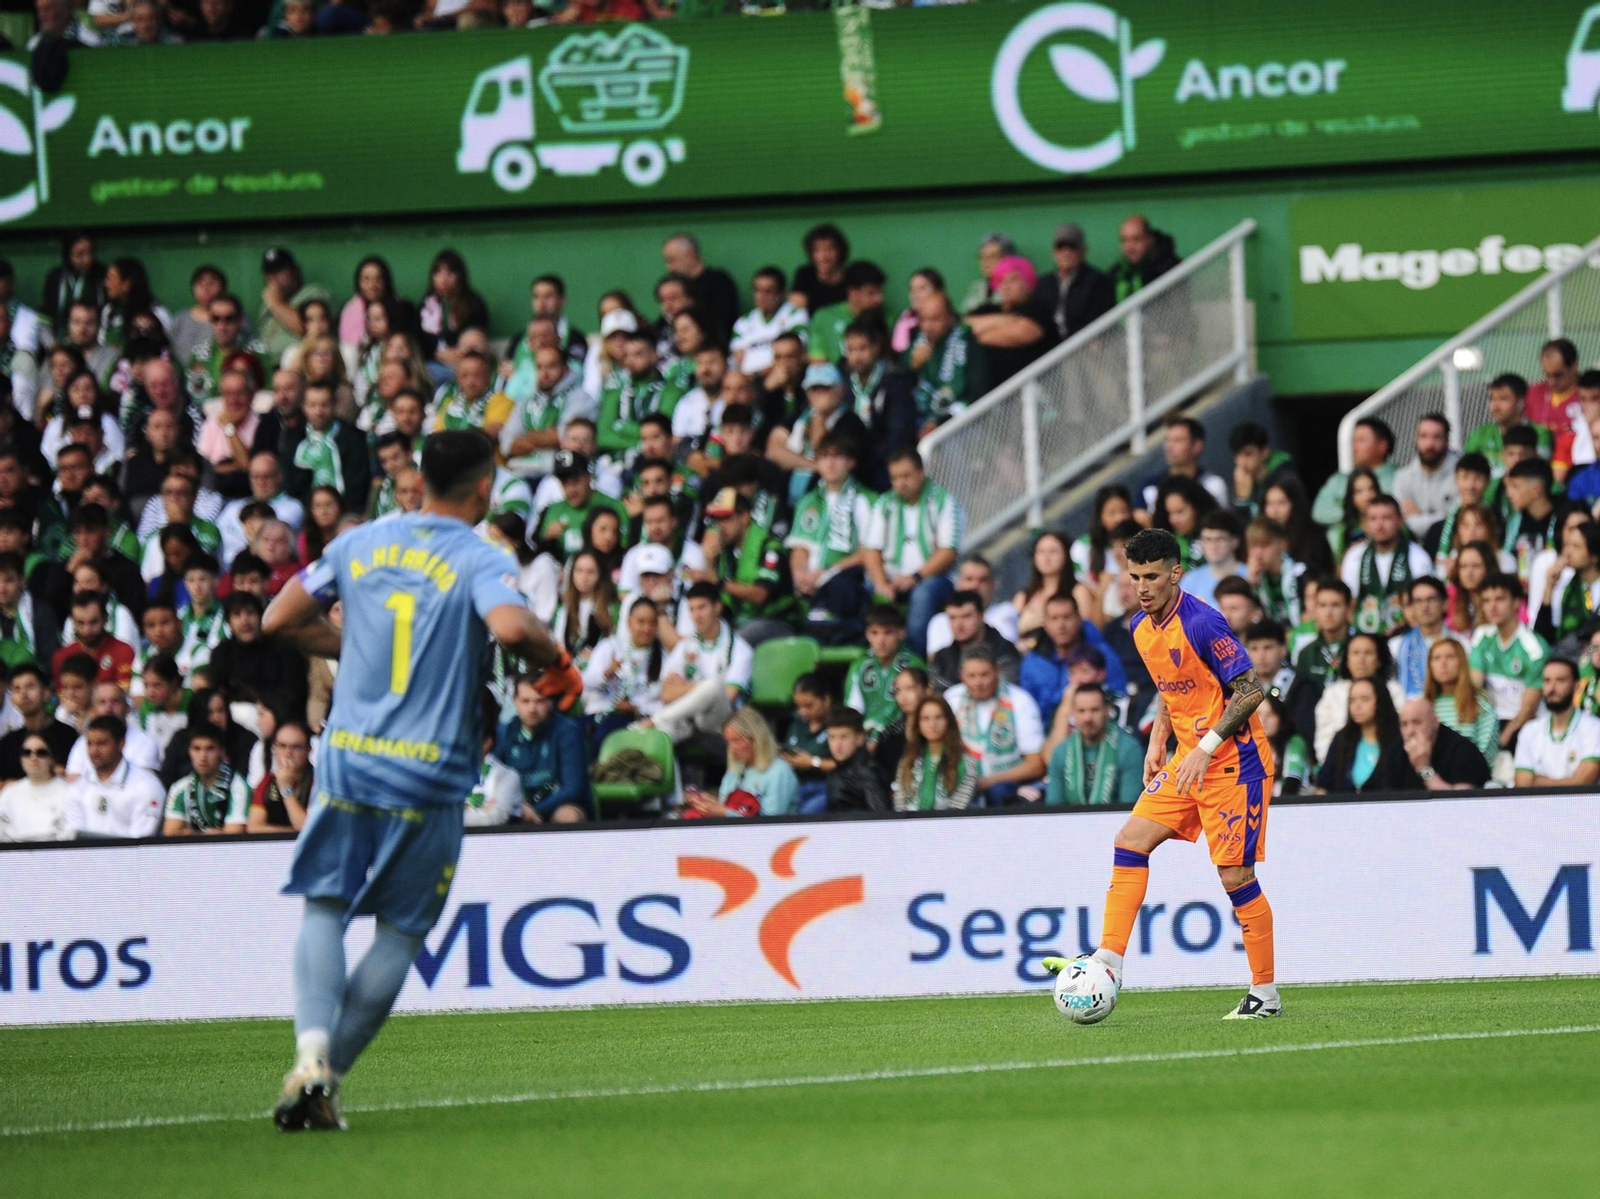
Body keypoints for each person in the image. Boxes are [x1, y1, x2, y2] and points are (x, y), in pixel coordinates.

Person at [262, 429, 581, 1131]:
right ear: (484, 487)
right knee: (400, 932)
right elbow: (507, 625)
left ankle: (309, 1054)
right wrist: (554, 657)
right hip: (428, 770)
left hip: (347, 757)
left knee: (324, 906)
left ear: (419, 479)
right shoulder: (478, 554)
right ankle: (329, 1079)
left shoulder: (359, 542)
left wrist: (358, 640)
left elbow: (277, 616)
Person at [1043, 527, 1277, 1020]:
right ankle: (1108, 961)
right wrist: (1159, 737)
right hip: (1186, 759)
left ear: (1176, 573)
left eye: (1152, 576)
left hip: (1235, 764)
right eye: (1134, 577)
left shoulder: (1204, 623)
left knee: (1236, 876)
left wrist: (1207, 746)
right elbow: (1175, 688)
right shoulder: (1140, 627)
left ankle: (1265, 996)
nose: (1142, 586)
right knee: (1130, 841)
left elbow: (1252, 690)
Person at [863, 448, 962, 658]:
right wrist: (882, 584)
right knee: (862, 588)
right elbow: (871, 550)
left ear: (921, 472)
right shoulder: (884, 503)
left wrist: (915, 577)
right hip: (890, 578)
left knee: (923, 594)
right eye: (895, 478)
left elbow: (948, 551)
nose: (901, 483)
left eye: (906, 476)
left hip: (932, 578)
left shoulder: (944, 501)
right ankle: (870, 657)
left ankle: (912, 660)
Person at [944, 643, 1045, 806]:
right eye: (972, 676)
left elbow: (1035, 765)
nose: (978, 682)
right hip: (961, 784)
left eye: (984, 675)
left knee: (998, 791)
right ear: (961, 675)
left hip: (1007, 788)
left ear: (997, 671)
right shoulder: (951, 699)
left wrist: (988, 781)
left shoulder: (1020, 701)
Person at [1017, 592, 1124, 727]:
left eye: (1067, 617)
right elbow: (1027, 712)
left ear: (1079, 619)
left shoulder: (1103, 654)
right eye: (1054, 618)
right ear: (1045, 624)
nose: (1061, 625)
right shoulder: (1032, 663)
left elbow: (1119, 697)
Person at [495, 676, 591, 824]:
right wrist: (519, 808)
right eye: (525, 701)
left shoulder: (568, 731)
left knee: (568, 815)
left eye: (539, 701)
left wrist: (535, 811)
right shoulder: (504, 733)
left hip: (556, 806)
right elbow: (491, 779)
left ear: (550, 702)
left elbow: (573, 789)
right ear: (515, 702)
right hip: (517, 806)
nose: (532, 709)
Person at [1470, 574, 1547, 752]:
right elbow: (1475, 685)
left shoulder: (1533, 648)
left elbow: (1529, 708)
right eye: (1487, 600)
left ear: (1516, 603)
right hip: (1490, 721)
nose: (1492, 606)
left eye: (1500, 599)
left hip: (1524, 724)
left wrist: (1504, 737)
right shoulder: (1482, 636)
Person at [1339, 494, 1434, 637]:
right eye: (1373, 519)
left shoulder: (1418, 557)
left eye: (1386, 518)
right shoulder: (1354, 557)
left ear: (1400, 520)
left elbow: (1424, 601)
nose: (1379, 525)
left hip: (1407, 635)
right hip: (1362, 636)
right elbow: (1348, 603)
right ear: (1364, 524)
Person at [63, 715, 165, 839]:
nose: (94, 751)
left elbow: (140, 842)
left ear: (121, 744)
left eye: (102, 744)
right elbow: (73, 835)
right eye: (90, 744)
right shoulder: (77, 787)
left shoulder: (147, 786)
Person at [1312, 631, 1407, 764]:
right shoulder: (1333, 693)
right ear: (1347, 660)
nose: (1361, 660)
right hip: (1339, 767)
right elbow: (1323, 740)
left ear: (1379, 660)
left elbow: (1399, 734)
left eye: (1368, 653)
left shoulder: (1394, 691)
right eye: (1355, 653)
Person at [685, 708, 798, 818]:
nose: (732, 749)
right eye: (728, 742)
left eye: (737, 741)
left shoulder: (779, 771)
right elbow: (727, 808)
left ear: (757, 739)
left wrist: (724, 813)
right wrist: (710, 804)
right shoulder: (735, 770)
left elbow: (771, 823)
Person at [1042, 684, 1144, 806]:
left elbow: (1130, 806)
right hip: (1071, 824)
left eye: (1094, 710)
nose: (1087, 718)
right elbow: (1054, 808)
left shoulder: (1129, 750)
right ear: (1073, 713)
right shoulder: (1060, 752)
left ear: (1108, 710)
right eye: (1081, 711)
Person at [965, 256, 1057, 385]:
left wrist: (975, 337)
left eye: (1013, 280)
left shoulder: (1038, 309)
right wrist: (1006, 320)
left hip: (1033, 388)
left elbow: (1023, 332)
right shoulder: (987, 309)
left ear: (1027, 283)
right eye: (1001, 280)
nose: (1006, 286)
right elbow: (964, 326)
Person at [1513, 658, 1600, 787]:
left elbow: (1584, 781)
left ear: (1576, 686)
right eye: (1547, 681)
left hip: (1580, 806)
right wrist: (1570, 780)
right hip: (1538, 807)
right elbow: (1522, 783)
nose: (1552, 688)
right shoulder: (1529, 730)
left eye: (1561, 680)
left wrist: (1538, 781)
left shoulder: (1594, 727)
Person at [843, 605, 922, 740]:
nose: (881, 640)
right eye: (875, 633)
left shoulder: (914, 665)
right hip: (865, 739)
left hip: (902, 736)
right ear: (867, 634)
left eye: (888, 632)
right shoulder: (859, 666)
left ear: (901, 633)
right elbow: (853, 712)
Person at [161, 721, 250, 836]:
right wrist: (214, 832)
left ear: (222, 752)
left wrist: (191, 833)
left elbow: (233, 835)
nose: (203, 756)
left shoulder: (238, 786)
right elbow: (170, 832)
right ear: (189, 751)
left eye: (210, 749)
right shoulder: (179, 788)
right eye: (197, 749)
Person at [1315, 678, 1402, 794]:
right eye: (1352, 700)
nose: (1357, 706)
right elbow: (1324, 782)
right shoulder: (1342, 739)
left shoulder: (1398, 741)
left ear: (1381, 701)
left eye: (1365, 699)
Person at [892, 694, 975, 812]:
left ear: (948, 721)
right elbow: (900, 807)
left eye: (939, 717)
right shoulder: (907, 762)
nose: (932, 725)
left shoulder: (966, 764)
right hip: (909, 828)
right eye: (925, 719)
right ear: (918, 724)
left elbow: (958, 810)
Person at [1033, 222, 1115, 341]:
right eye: (1061, 247)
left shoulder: (1097, 281)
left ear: (1083, 250)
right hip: (1049, 351)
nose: (1066, 252)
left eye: (1072, 247)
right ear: (1053, 251)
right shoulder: (1044, 284)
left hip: (1083, 348)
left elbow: (1103, 320)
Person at [1312, 417, 1397, 530]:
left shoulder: (1398, 478)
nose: (1354, 447)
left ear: (1382, 446)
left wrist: (1344, 509)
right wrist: (1356, 512)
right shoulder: (1338, 479)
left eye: (1361, 441)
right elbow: (1318, 512)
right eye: (1353, 441)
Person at [1424, 637, 1500, 762]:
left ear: (1462, 662)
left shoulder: (1481, 704)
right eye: (1436, 658)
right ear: (1429, 665)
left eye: (1450, 657)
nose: (1443, 663)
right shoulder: (1423, 706)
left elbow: (1486, 752)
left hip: (1469, 776)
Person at [1389, 576, 1464, 698]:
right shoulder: (1395, 646)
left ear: (1445, 603)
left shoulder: (1461, 644)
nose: (1425, 607)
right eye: (1418, 601)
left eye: (1431, 599)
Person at [0, 663, 77, 779]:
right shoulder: (8, 744)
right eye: (17, 689)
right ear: (12, 699)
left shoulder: (68, 735)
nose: (23, 694)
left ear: (46, 693)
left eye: (30, 687)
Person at [1139, 417, 1229, 512]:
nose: (1168, 447)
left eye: (1177, 440)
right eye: (1167, 440)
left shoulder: (1212, 485)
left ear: (1197, 446)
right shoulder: (1149, 487)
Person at [1392, 414, 1460, 537]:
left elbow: (1457, 521)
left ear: (1447, 441)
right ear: (1415, 439)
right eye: (1423, 436)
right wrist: (1443, 517)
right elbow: (1400, 524)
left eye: (1436, 437)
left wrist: (1418, 518)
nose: (1429, 444)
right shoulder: (1402, 477)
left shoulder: (1461, 474)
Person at [1534, 518, 1600, 645]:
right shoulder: (1567, 587)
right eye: (1566, 545)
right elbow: (1543, 636)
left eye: (1576, 546)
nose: (1567, 553)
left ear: (1594, 556)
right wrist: (1549, 587)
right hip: (1568, 655)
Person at [1465, 374, 1551, 470]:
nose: (1495, 407)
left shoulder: (1540, 434)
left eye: (1503, 399)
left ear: (1521, 402)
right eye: (1492, 399)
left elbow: (1538, 472)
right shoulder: (1479, 434)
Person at [780, 673, 835, 814]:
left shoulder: (838, 724)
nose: (803, 711)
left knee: (804, 816)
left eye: (809, 706)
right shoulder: (796, 725)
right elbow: (787, 750)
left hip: (826, 788)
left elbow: (845, 764)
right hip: (795, 786)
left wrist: (812, 762)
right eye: (799, 706)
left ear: (826, 699)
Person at [0, 730, 69, 841]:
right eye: (27, 752)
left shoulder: (68, 791)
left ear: (52, 758)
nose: (33, 757)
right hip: (15, 854)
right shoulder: (9, 793)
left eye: (41, 752)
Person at [250, 719, 313, 834]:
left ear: (309, 750)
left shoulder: (319, 782)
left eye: (296, 747)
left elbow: (308, 828)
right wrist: (292, 831)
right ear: (275, 748)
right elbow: (254, 827)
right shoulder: (267, 781)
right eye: (282, 746)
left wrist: (286, 789)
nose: (288, 753)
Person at [822, 706, 889, 813]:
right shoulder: (836, 771)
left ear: (860, 738)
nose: (837, 745)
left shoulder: (869, 773)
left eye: (843, 737)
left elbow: (881, 819)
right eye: (832, 737)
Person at [1180, 510, 1248, 607]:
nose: (1213, 546)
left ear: (1235, 541)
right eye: (1207, 539)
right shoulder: (1190, 580)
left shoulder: (1249, 575)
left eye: (1220, 539)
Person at [1293, 576, 1352, 687]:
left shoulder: (1361, 648)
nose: (1328, 613)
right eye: (1322, 605)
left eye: (1335, 605)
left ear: (1348, 609)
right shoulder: (1306, 654)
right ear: (1315, 610)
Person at [1108, 215, 1180, 303]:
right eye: (1125, 240)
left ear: (1150, 239)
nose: (1130, 247)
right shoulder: (1117, 274)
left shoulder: (1172, 270)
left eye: (1136, 239)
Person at [1228, 422, 1293, 517]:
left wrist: (1243, 501)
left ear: (1264, 452)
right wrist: (1241, 499)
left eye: (1248, 454)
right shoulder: (1240, 482)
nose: (1241, 462)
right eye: (1238, 455)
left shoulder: (1285, 477)